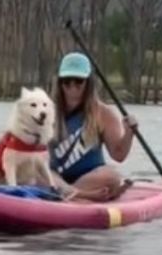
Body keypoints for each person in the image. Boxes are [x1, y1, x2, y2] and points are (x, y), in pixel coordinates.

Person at [49, 52, 138, 202]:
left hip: (92, 178)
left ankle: (69, 194)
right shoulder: (46, 111)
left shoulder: (104, 113)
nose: (72, 87)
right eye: (67, 81)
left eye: (78, 81)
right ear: (59, 83)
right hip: (56, 178)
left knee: (112, 177)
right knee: (38, 171)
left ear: (88, 83)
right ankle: (76, 195)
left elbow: (119, 154)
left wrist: (129, 132)